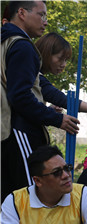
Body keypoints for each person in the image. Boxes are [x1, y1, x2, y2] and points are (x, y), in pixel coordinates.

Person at [1, 1, 79, 202]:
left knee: (8, 199)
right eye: (41, 15)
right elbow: (20, 97)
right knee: (29, 196)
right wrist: (57, 119)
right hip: (18, 131)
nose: (45, 22)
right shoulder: (22, 46)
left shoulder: (5, 41)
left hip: (7, 132)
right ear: (22, 13)